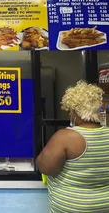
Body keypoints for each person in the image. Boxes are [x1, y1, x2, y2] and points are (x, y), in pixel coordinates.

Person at [36, 80, 109, 213]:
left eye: (70, 111)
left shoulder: (66, 137)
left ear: (75, 112)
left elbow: (46, 167)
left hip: (72, 208)